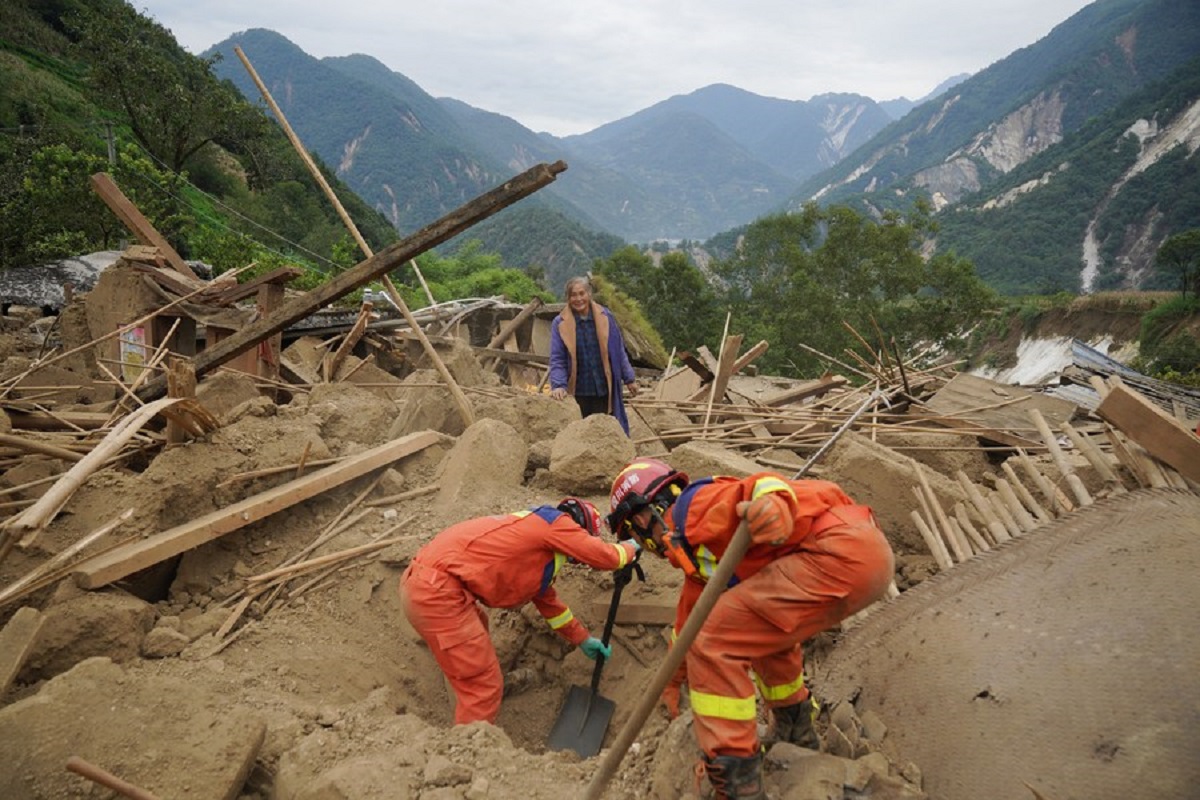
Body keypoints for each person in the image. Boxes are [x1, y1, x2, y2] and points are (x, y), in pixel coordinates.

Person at [607, 459, 895, 800]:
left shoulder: (691, 510)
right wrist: (671, 681)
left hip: (835, 552)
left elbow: (758, 486)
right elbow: (690, 619)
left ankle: (737, 783)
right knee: (759, 632)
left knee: (714, 641)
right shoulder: (695, 553)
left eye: (632, 532)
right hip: (860, 553)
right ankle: (795, 727)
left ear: (641, 517)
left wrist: (773, 505)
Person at [399, 498, 640, 725]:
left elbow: (551, 607)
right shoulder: (558, 523)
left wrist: (583, 639)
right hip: (438, 592)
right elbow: (606, 556)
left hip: (425, 584)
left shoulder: (533, 544)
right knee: (483, 685)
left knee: (479, 636)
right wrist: (630, 547)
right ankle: (466, 753)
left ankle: (475, 707)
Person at [548, 276, 639, 435]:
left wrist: (629, 378)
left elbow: (618, 350)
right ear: (568, 298)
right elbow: (557, 358)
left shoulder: (605, 317)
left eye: (581, 293)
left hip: (603, 387)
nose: (578, 299)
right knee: (581, 433)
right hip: (578, 389)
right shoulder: (560, 323)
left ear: (589, 294)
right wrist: (559, 385)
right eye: (573, 295)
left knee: (604, 431)